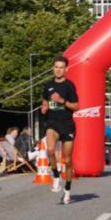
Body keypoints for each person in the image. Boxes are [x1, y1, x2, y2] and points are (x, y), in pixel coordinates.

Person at [41, 56, 80, 204]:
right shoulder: (48, 85)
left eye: (61, 67)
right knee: (50, 150)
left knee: (68, 160)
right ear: (53, 68)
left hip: (67, 124)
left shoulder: (69, 86)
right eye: (56, 67)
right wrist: (44, 107)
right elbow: (45, 102)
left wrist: (61, 101)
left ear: (66, 69)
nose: (58, 70)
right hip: (52, 123)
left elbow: (76, 107)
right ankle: (56, 175)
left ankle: (68, 190)